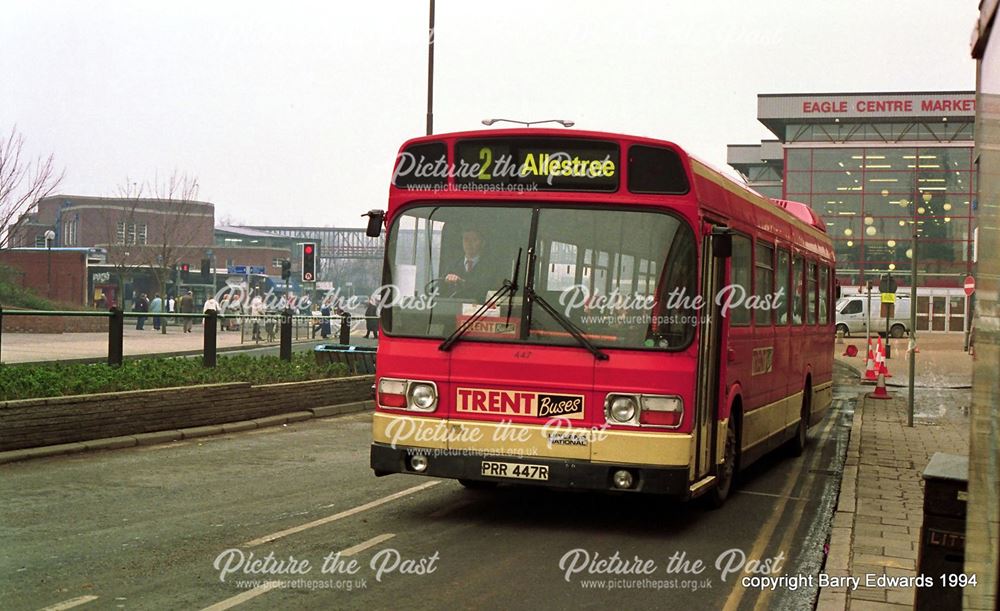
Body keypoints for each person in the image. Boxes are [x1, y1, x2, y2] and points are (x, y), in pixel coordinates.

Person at [442, 228, 500, 300]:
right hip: (454, 308)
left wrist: (461, 282)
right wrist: (446, 280)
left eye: (474, 240)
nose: (469, 243)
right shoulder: (453, 265)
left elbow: (484, 289)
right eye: (466, 239)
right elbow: (440, 290)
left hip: (480, 309)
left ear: (483, 243)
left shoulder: (491, 267)